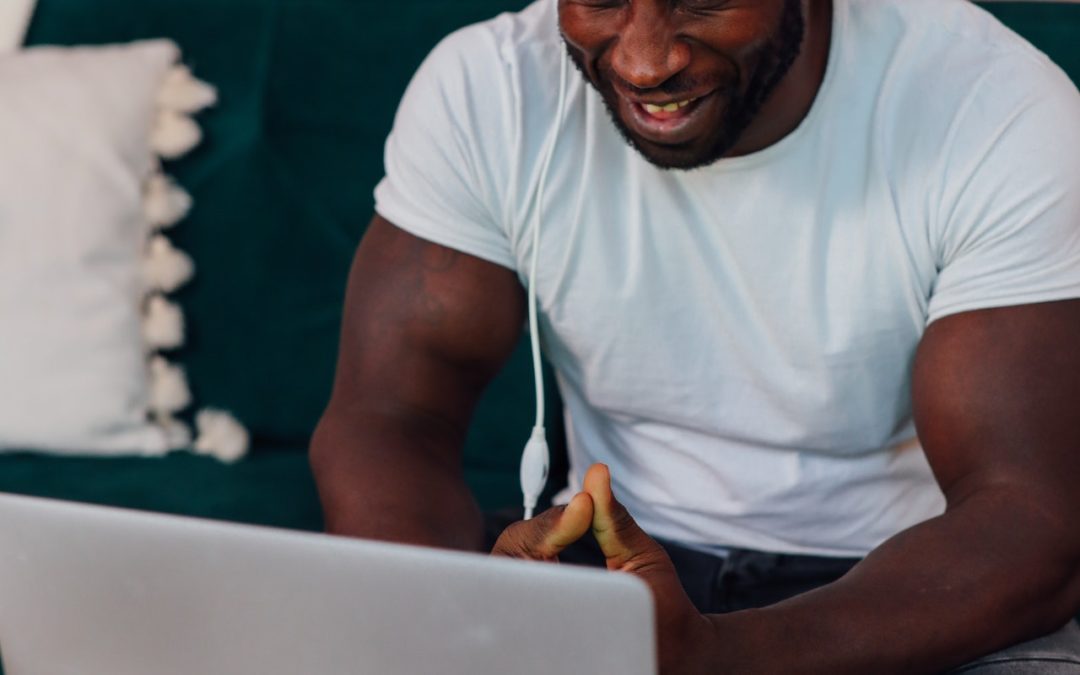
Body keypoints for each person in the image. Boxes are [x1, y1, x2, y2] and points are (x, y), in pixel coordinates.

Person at [309, 0, 1080, 672]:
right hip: (613, 563)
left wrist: (718, 658)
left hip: (898, 591)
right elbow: (389, 420)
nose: (645, 63)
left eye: (704, 0)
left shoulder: (989, 104)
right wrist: (451, 623)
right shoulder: (492, 87)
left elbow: (1028, 518)